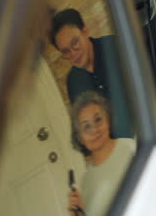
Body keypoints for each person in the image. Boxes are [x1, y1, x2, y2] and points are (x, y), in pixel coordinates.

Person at [67, 91, 136, 216]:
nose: (94, 130)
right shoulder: (86, 182)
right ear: (80, 138)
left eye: (98, 119)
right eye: (86, 126)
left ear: (108, 120)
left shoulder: (131, 148)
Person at [51, 8, 132, 138]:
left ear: (85, 31)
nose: (73, 54)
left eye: (75, 42)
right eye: (66, 51)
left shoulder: (117, 48)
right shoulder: (73, 82)